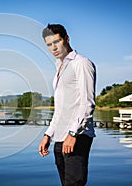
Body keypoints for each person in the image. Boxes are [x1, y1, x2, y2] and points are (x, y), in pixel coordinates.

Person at [39, 24, 96, 186]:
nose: (53, 48)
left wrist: (73, 134)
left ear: (67, 39)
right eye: (49, 44)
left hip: (76, 137)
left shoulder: (81, 63)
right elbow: (60, 109)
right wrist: (48, 134)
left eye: (57, 41)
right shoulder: (60, 67)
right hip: (59, 138)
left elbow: (87, 103)